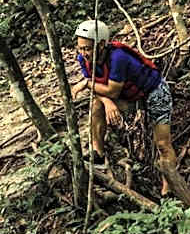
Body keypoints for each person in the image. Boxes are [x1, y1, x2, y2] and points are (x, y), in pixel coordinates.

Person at [70, 18, 177, 195]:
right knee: (97, 104)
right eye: (80, 48)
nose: (84, 53)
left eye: (88, 48)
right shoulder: (84, 59)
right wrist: (106, 101)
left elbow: (110, 89)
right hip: (129, 98)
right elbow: (102, 91)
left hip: (154, 92)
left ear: (102, 44)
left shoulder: (118, 58)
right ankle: (98, 151)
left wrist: (88, 85)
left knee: (163, 144)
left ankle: (169, 189)